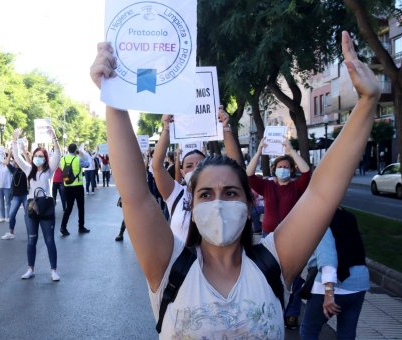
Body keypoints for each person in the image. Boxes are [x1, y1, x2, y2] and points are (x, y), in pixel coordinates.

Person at [89, 31, 380, 337]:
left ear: (248, 200)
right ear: (191, 201)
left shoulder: (275, 261)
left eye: (230, 192)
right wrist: (114, 98)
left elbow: (321, 193)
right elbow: (136, 194)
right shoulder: (168, 265)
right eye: (206, 194)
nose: (218, 202)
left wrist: (366, 103)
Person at [246, 138, 312, 328]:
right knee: (271, 274)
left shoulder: (296, 187)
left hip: (292, 238)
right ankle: (274, 309)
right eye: (279, 166)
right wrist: (259, 152)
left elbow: (307, 172)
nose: (282, 168)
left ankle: (292, 313)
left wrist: (291, 151)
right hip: (269, 236)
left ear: (291, 170)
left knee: (295, 276)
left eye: (286, 166)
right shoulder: (267, 186)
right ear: (274, 169)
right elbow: (249, 175)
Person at [151, 109, 241, 243]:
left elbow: (236, 168)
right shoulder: (175, 193)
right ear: (182, 172)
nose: (195, 169)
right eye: (189, 166)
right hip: (183, 262)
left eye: (200, 164)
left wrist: (225, 128)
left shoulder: (219, 193)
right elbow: (157, 166)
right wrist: (166, 130)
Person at [301, 208, 369, 339]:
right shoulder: (349, 216)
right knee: (347, 333)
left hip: (330, 287)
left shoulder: (320, 219)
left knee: (309, 330)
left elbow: (327, 258)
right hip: (359, 284)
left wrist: (329, 293)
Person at [12, 127, 61, 281]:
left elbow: (58, 154)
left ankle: (53, 270)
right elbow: (17, 157)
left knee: (49, 240)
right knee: (31, 239)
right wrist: (14, 140)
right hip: (32, 209)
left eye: (41, 156)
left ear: (46, 158)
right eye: (36, 156)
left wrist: (54, 137)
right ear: (32, 157)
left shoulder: (49, 170)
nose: (38, 158)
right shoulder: (28, 170)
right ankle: (30, 269)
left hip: (46, 209)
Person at [58, 143, 91, 236]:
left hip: (67, 186)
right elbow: (88, 164)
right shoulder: (78, 159)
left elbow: (61, 168)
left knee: (69, 208)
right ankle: (81, 227)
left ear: (68, 150)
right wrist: (83, 154)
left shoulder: (63, 159)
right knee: (81, 207)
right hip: (78, 186)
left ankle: (63, 227)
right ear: (76, 150)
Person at [3, 156, 28, 240]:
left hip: (25, 195)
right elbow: (6, 162)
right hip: (16, 196)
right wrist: (10, 153)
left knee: (28, 215)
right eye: (14, 161)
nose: (14, 162)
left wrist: (24, 152)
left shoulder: (26, 170)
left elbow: (29, 162)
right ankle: (11, 232)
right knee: (11, 214)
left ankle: (31, 232)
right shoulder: (14, 170)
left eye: (16, 161)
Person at [0, 149, 13, 225]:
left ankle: (8, 217)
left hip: (7, 185)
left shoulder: (9, 164)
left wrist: (10, 154)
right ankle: (2, 217)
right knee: (1, 202)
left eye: (3, 155)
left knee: (8, 202)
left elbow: (9, 163)